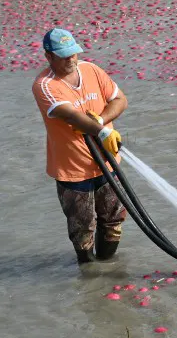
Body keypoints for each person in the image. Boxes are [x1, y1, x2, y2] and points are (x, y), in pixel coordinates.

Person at [31, 28, 128, 264]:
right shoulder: (44, 85)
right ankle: (89, 273)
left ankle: (106, 268)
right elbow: (70, 115)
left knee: (114, 222)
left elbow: (120, 99)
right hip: (74, 171)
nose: (71, 59)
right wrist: (102, 131)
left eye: (73, 53)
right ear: (49, 56)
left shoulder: (91, 70)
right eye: (64, 56)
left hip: (107, 161)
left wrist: (102, 120)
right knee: (83, 231)